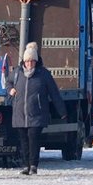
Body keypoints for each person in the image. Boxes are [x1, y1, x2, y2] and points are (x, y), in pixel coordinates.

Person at [8, 42, 62, 174]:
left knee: (33, 139)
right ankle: (25, 165)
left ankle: (33, 165)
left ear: (36, 61)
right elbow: (8, 82)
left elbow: (54, 92)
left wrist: (62, 111)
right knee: (23, 140)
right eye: (27, 61)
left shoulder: (43, 74)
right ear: (24, 61)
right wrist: (10, 90)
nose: (29, 64)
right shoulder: (17, 73)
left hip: (37, 113)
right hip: (20, 113)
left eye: (32, 61)